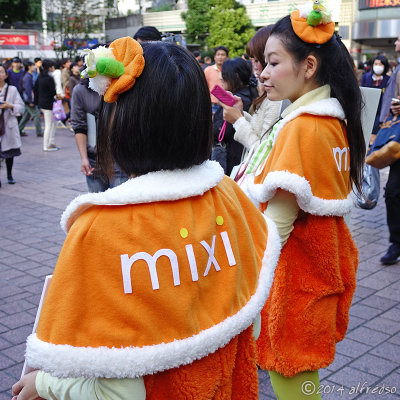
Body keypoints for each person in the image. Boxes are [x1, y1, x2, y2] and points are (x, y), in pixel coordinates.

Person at [12, 37, 280, 400]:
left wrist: (43, 385)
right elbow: (251, 318)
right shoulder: (229, 196)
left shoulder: (104, 229)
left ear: (121, 121)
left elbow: (121, 390)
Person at [243, 4, 365, 399]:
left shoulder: (305, 125)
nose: (262, 73)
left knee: (291, 377)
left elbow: (277, 223)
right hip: (316, 268)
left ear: (308, 66)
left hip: (292, 277)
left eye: (273, 62)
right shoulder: (331, 120)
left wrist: (246, 282)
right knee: (300, 374)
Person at [219, 26, 283, 152]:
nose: (255, 67)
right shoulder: (270, 94)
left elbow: (264, 153)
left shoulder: (277, 99)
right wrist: (240, 114)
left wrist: (238, 120)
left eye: (257, 60)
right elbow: (258, 128)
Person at [71, 75, 128, 192]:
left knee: (118, 205)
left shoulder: (120, 84)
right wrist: (84, 158)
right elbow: (79, 126)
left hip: (118, 158)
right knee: (98, 204)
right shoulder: (80, 90)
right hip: (94, 159)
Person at [212, 57, 258, 175]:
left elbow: (223, 130)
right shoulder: (248, 93)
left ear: (236, 76)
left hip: (232, 156)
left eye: (224, 74)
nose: (221, 77)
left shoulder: (238, 100)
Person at [378, 33, 400, 265]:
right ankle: (396, 242)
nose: (395, 43)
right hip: (397, 139)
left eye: (399, 39)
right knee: (392, 193)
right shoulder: (398, 70)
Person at [0, 64, 24, 187]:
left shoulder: (12, 90)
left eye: (1, 72)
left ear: (5, 75)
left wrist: (10, 106)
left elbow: (21, 107)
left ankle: (9, 175)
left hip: (8, 124)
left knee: (9, 153)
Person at [360, 55, 390, 143]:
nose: (378, 66)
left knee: (375, 135)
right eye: (376, 64)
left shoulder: (388, 79)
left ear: (385, 66)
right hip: (366, 110)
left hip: (380, 112)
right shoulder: (366, 77)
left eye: (380, 64)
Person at [34, 59, 59, 151]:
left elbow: (35, 90)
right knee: (49, 125)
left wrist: (36, 102)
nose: (53, 68)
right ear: (49, 67)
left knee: (51, 124)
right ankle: (46, 146)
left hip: (42, 104)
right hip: (48, 104)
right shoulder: (49, 78)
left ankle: (50, 143)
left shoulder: (39, 77)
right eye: (52, 66)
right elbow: (53, 92)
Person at [18, 61, 43, 137]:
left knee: (26, 116)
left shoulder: (28, 75)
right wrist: (30, 101)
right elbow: (27, 90)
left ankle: (18, 130)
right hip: (29, 100)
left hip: (27, 100)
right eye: (32, 65)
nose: (34, 67)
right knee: (37, 115)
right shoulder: (27, 77)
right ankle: (39, 132)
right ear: (29, 67)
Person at [204, 46, 229, 112]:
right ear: (214, 57)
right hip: (213, 105)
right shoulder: (208, 70)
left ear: (227, 57)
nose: (220, 57)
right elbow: (204, 88)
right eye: (218, 55)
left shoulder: (230, 71)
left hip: (227, 105)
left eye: (223, 55)